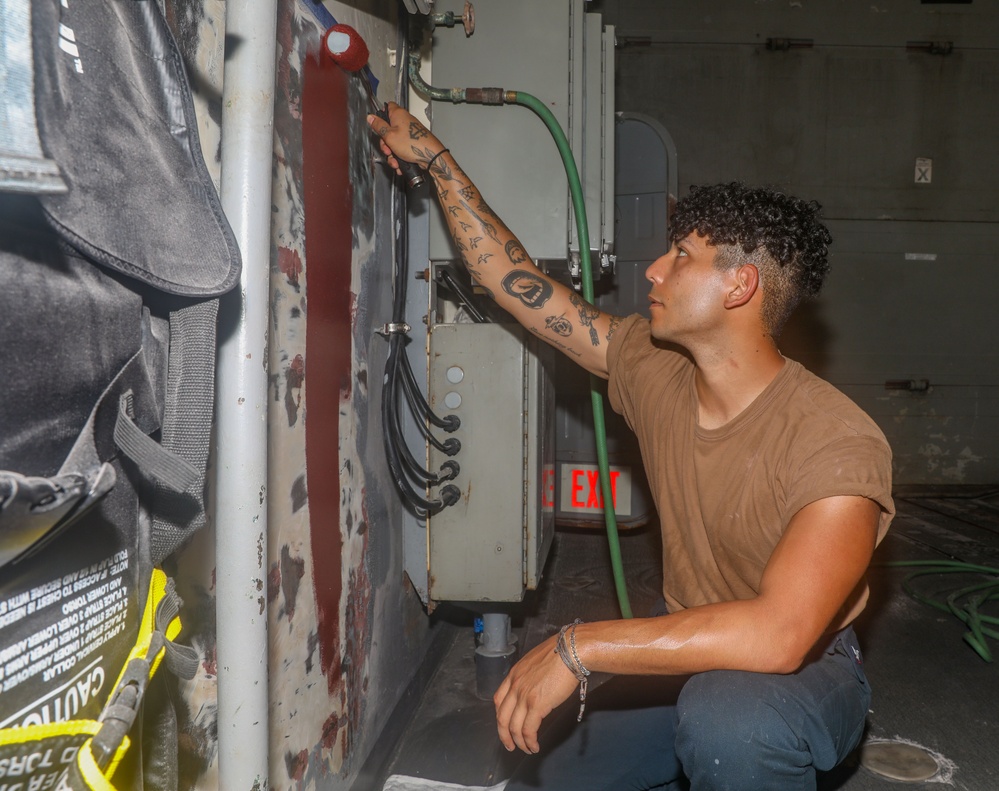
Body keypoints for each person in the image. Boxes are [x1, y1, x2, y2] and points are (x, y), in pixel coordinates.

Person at [368, 103, 894, 791]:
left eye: (681, 256)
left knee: (730, 725)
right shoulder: (651, 365)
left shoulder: (833, 440)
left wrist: (579, 644)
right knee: (541, 757)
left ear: (740, 285)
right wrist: (436, 160)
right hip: (687, 643)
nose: (652, 270)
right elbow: (511, 280)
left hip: (804, 670)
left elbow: (778, 635)